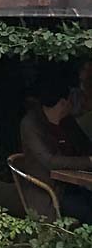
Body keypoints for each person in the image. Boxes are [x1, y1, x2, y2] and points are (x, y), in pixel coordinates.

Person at [20, 77, 92, 225]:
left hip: (75, 185)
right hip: (50, 191)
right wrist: (88, 161)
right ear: (63, 102)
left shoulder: (67, 122)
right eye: (71, 100)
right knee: (86, 210)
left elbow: (86, 146)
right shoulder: (31, 124)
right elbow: (50, 161)